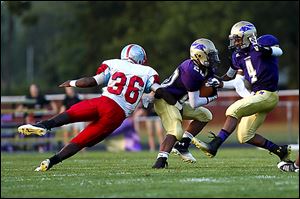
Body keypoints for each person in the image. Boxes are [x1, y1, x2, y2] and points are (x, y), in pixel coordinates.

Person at [17, 44, 176, 172]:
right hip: (116, 114)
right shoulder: (148, 72)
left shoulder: (113, 63)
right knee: (82, 140)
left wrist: (72, 83)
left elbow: (92, 81)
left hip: (103, 101)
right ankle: (51, 161)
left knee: (71, 113)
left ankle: (43, 126)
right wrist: (173, 100)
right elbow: (159, 91)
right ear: (141, 58)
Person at [193, 21, 291, 163]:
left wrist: (263, 49)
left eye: (237, 38)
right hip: (257, 96)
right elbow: (237, 81)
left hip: (268, 94)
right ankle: (281, 152)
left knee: (234, 109)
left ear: (248, 36)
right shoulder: (238, 56)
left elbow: (279, 51)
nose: (235, 42)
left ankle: (214, 145)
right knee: (244, 135)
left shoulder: (264, 41)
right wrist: (219, 82)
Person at [151, 38, 219, 169]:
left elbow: (215, 81)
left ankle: (183, 145)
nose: (213, 58)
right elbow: (194, 103)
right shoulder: (190, 70)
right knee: (176, 130)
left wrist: (223, 83)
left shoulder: (205, 68)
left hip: (178, 102)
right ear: (199, 55)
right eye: (210, 55)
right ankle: (160, 161)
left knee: (205, 115)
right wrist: (212, 97)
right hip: (165, 100)